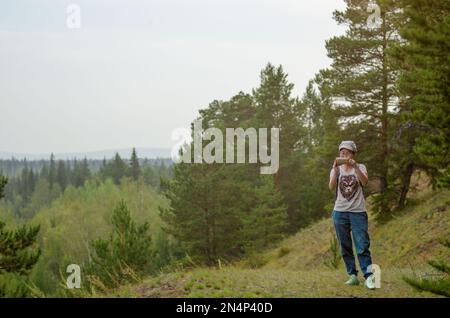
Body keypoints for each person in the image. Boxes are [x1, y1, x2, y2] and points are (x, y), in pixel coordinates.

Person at [328, 140, 376, 289]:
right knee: (345, 246)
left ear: (352, 154)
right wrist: (335, 170)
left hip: (358, 212)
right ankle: (352, 275)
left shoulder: (360, 167)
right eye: (341, 152)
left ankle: (369, 277)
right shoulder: (336, 169)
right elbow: (331, 187)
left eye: (346, 152)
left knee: (362, 245)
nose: (343, 154)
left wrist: (355, 167)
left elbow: (365, 182)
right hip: (340, 212)